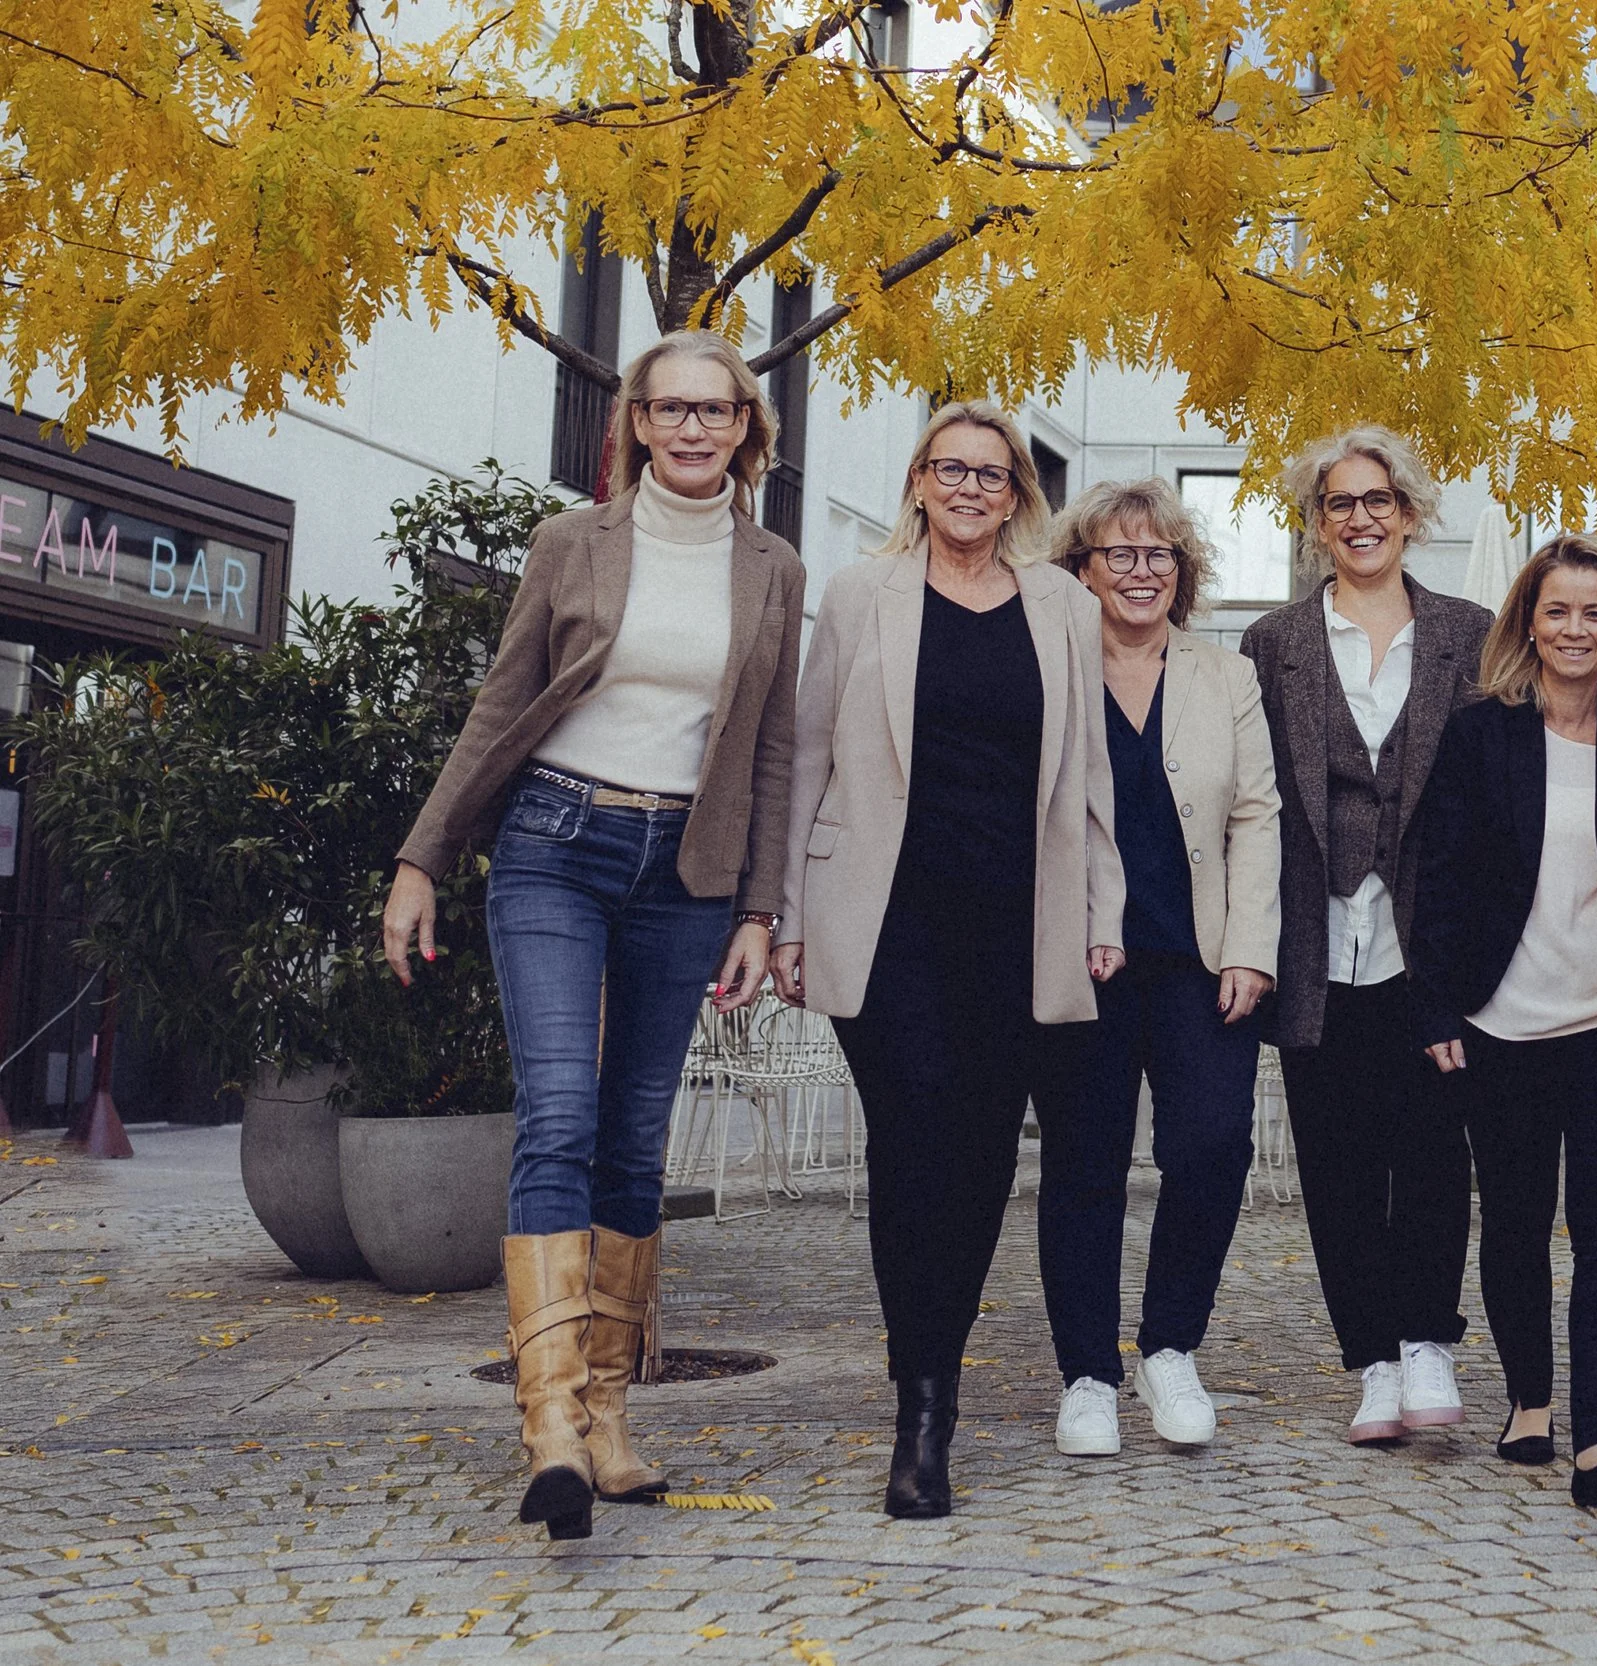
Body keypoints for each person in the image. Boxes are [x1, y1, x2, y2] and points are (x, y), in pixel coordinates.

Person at [383, 331, 804, 1541]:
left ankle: (612, 1422)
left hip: (686, 869)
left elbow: (773, 748)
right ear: (631, 422)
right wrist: (422, 856)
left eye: (713, 412)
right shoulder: (572, 543)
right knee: (560, 1114)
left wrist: (759, 909)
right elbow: (501, 702)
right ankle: (551, 1425)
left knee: (632, 1138)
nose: (689, 429)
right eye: (667, 409)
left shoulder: (772, 566)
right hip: (555, 845)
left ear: (744, 430)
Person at [769, 401, 1123, 1520]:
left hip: (1018, 925)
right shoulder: (858, 593)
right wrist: (783, 915)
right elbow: (807, 751)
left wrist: (1100, 909)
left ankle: (940, 1384)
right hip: (885, 916)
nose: (970, 489)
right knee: (913, 1134)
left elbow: (1090, 778)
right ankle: (917, 1410)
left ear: (1018, 494)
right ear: (917, 482)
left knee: (975, 1165)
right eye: (949, 469)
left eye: (992, 474)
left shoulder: (1065, 604)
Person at [1239, 426, 1492, 1446]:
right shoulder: (1275, 643)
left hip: (1430, 945)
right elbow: (1256, 803)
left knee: (1435, 1150)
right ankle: (1373, 1361)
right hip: (1317, 941)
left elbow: (1488, 800)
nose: (1361, 518)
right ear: (1316, 523)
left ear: (1411, 512)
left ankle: (1429, 1338)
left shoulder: (1471, 634)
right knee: (1335, 1162)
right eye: (1339, 503)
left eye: (1378, 499)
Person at [1407, 533, 1597, 1508]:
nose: (1573, 628)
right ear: (1528, 623)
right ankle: (1527, 1400)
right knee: (1512, 1219)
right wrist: (1433, 1000)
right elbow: (1436, 878)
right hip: (1501, 1022)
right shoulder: (1480, 735)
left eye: (1593, 612)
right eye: (1555, 610)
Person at [1033, 479, 1283, 1457]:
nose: (1141, 572)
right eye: (1118, 555)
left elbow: (1257, 813)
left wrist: (1255, 946)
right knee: (1083, 1166)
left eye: (1160, 555)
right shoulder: (1048, 669)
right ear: (1080, 571)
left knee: (1213, 1146)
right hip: (1079, 964)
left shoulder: (1226, 676)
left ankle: (1169, 1346)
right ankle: (1088, 1373)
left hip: (1201, 963)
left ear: (1182, 572)